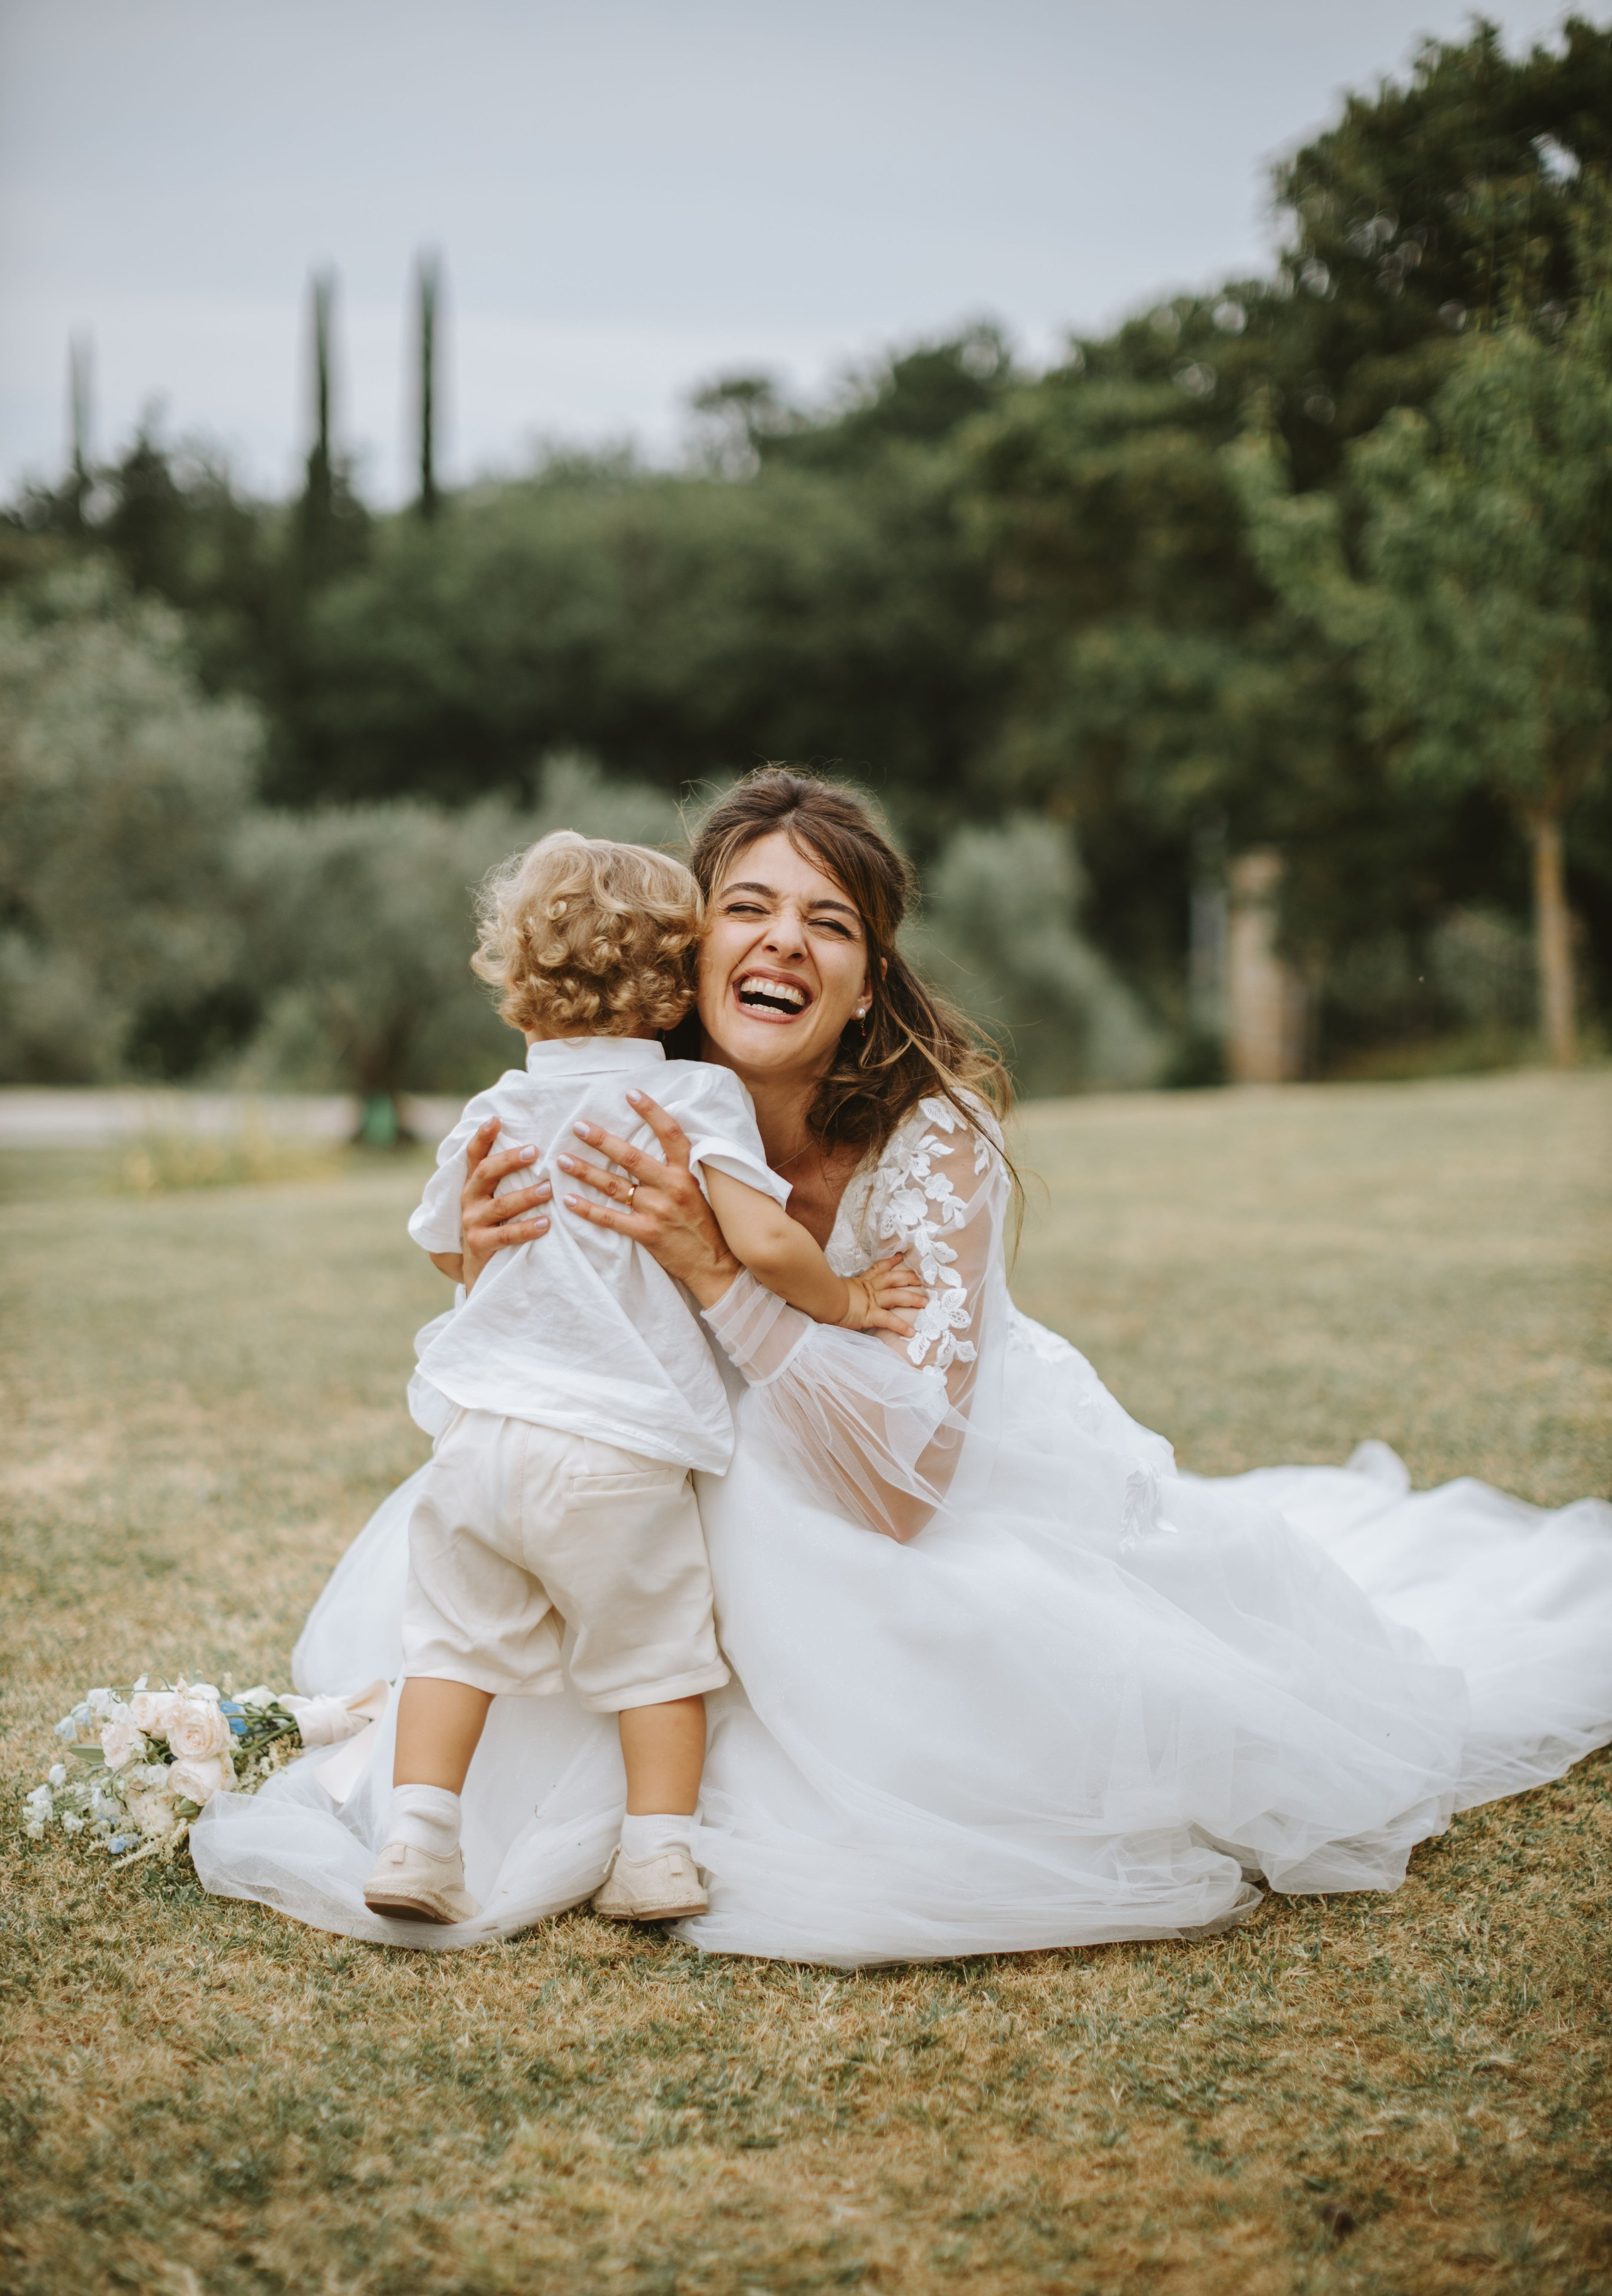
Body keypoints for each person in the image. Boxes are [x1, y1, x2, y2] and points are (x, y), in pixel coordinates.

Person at [191, 770, 1612, 1964]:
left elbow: (903, 1483)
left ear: (870, 978)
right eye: (745, 907)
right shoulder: (632, 1101)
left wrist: (709, 1272)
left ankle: (663, 1829)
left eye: (829, 922)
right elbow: (516, 1306)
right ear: (684, 950)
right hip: (631, 1480)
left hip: (894, 1509)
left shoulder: (934, 1142)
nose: (783, 942)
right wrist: (477, 1252)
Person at [364, 829, 921, 1929]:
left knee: (451, 1646)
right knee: (658, 1658)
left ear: (518, 988)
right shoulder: (691, 1107)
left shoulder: (494, 1112)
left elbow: (444, 1245)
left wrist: (502, 1251)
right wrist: (850, 1299)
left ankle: (419, 1842)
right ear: (678, 983)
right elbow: (764, 1244)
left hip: (479, 1441)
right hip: (616, 1449)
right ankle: (657, 1858)